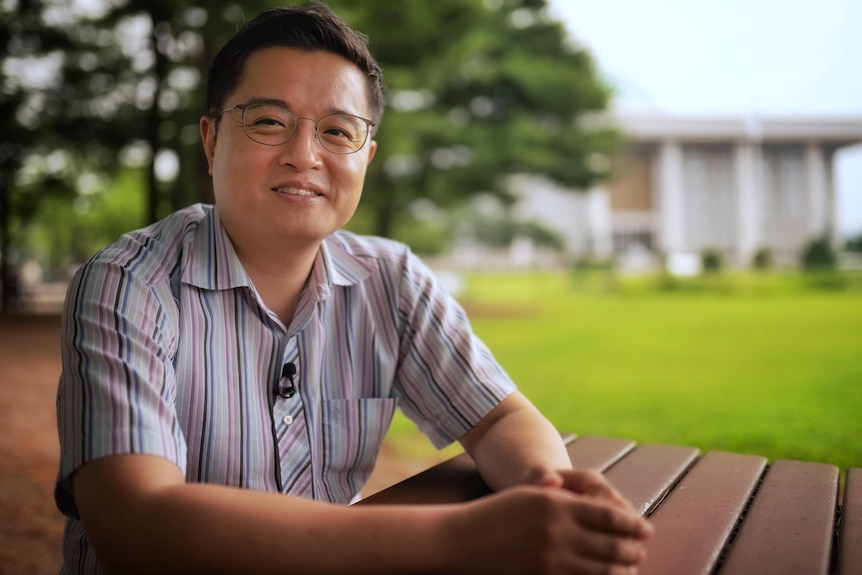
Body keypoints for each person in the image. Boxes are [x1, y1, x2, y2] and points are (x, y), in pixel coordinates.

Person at [54, 3, 653, 574]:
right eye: (268, 122)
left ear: (366, 156)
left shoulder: (391, 282)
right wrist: (462, 538)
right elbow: (136, 526)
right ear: (211, 141)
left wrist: (551, 493)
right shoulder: (126, 284)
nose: (303, 155)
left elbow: (500, 421)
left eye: (337, 132)